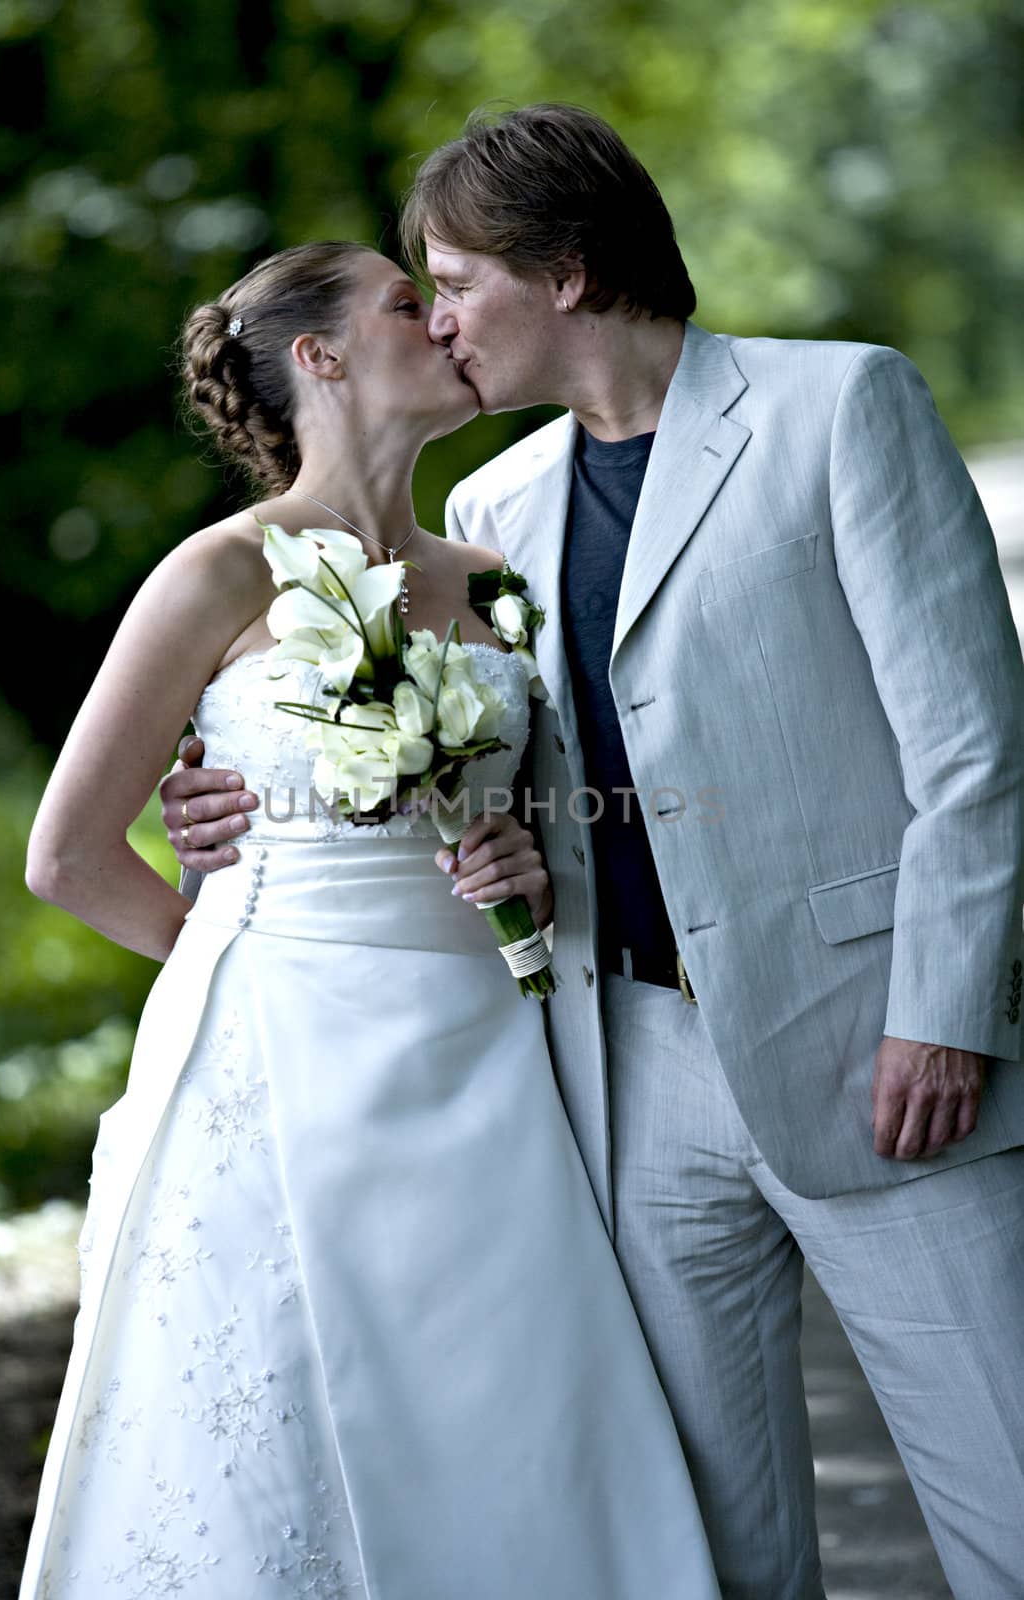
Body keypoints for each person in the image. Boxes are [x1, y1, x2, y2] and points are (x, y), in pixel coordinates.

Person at [168, 107, 1024, 1599]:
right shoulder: (497, 511)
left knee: (1010, 1503)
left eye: (454, 278)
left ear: (564, 273)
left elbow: (974, 747)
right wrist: (243, 795)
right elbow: (520, 783)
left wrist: (942, 1011)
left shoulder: (843, 405)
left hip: (880, 1052)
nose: (435, 321)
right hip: (625, 1080)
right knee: (717, 1548)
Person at [20, 240, 721, 1599]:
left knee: (500, 1406)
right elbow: (66, 853)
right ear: (320, 358)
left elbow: (551, 811)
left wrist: (527, 861)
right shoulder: (220, 575)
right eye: (411, 304)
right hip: (281, 1053)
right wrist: (245, 937)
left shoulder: (494, 572)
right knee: (278, 1409)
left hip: (487, 1053)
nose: (447, 322)